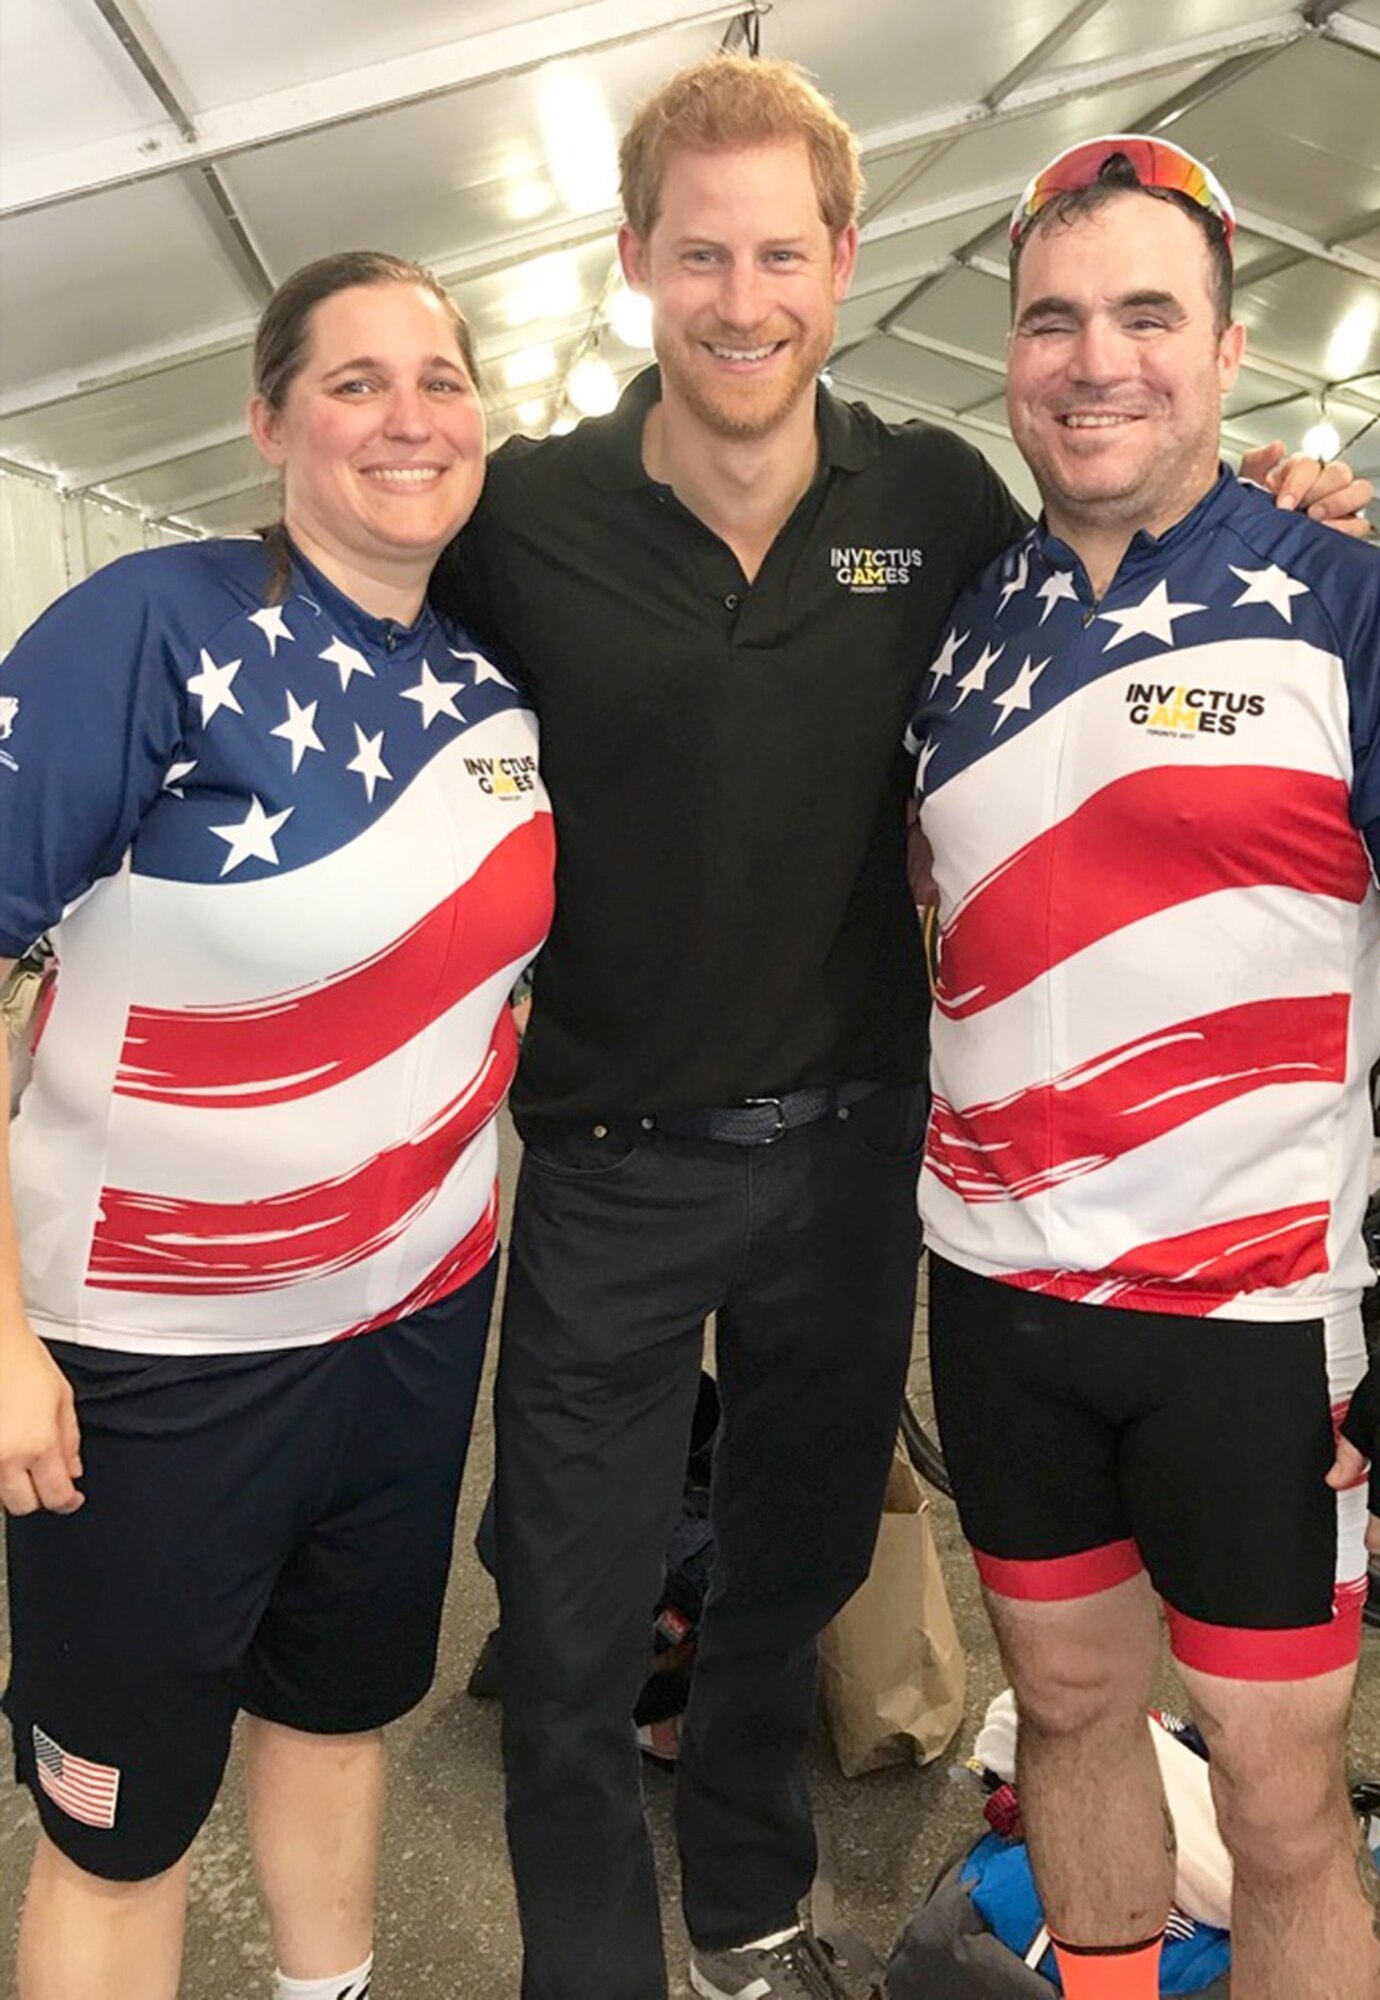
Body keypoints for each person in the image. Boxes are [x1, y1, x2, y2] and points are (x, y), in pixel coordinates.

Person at [442, 57, 1369, 2000]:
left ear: (843, 263)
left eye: (781, 250)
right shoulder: (523, 517)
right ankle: (587, 1967)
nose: (741, 294)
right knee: (571, 1603)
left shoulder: (932, 497)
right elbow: (376, 664)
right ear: (633, 263)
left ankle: (746, 1917)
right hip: (606, 1160)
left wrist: (1273, 497)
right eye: (699, 252)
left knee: (785, 1583)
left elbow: (1123, 543)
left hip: (858, 1150)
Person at [911, 135, 1380, 2000]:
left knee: (1277, 1805)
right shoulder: (953, 623)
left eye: (1142, 315)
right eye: (1051, 319)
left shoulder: (1362, 610)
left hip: (1255, 1328)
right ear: (1008, 354)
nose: (1093, 359)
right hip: (1000, 1295)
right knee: (1067, 1731)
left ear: (1225, 344)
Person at [0, 252, 554, 2000]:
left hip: (402, 1334)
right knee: (120, 1830)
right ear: (268, 421)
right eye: (356, 380)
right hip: (145, 1364)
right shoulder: (146, 626)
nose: (411, 417)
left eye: (443, 379)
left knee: (335, 1726)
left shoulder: (495, 687)